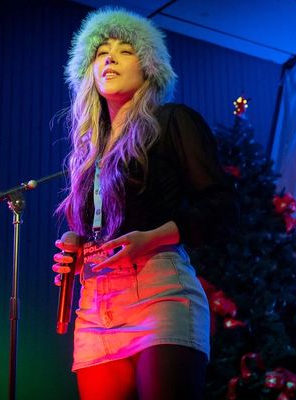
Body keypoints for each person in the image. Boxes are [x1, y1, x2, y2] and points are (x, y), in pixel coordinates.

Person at [52, 7, 238, 400]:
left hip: (158, 289)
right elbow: (106, 226)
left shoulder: (173, 120)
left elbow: (221, 206)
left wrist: (152, 238)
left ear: (149, 68)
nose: (110, 59)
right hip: (95, 304)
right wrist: (77, 246)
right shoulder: (89, 151)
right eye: (101, 53)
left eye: (125, 51)